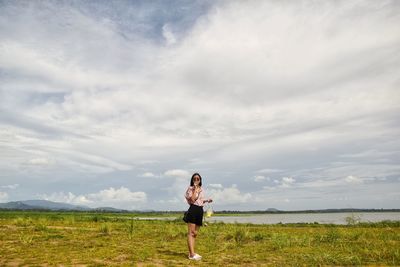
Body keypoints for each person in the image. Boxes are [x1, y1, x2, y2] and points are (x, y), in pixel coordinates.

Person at [183, 172, 213, 260]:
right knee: (191, 232)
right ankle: (191, 254)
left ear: (200, 180)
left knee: (195, 233)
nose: (196, 180)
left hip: (200, 210)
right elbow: (192, 200)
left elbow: (200, 200)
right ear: (192, 180)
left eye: (198, 179)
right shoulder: (190, 188)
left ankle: (192, 253)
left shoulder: (201, 189)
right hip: (193, 209)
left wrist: (207, 200)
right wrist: (195, 189)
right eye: (194, 179)